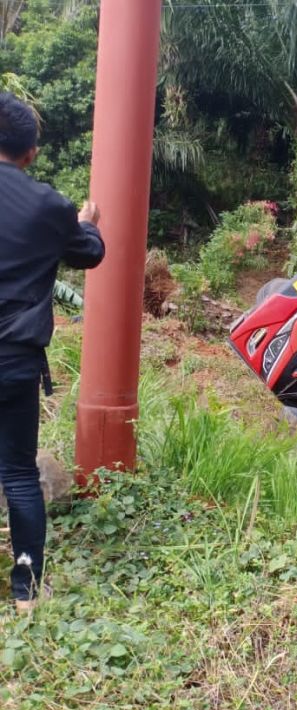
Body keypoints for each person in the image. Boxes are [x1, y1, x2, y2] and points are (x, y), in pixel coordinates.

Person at [0, 93, 105, 612]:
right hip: (14, 360)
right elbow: (91, 252)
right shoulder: (48, 207)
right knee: (19, 473)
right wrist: (86, 220)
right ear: (31, 153)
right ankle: (26, 593)